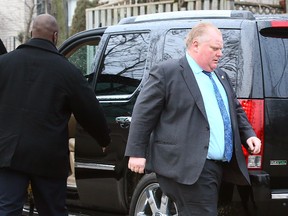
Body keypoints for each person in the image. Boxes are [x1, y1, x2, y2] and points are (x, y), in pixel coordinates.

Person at [125, 22, 261, 216]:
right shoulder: (167, 72)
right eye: (215, 48)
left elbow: (234, 109)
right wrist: (136, 152)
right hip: (188, 166)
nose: (220, 53)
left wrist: (248, 134)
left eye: (221, 49)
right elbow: (143, 113)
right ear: (195, 45)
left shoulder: (220, 76)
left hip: (221, 167)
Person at [0, 14, 110, 216]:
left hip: (9, 154)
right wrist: (103, 138)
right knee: (53, 211)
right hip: (48, 157)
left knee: (7, 209)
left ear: (31, 32)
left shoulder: (5, 64)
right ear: (56, 36)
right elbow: (89, 108)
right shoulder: (67, 71)